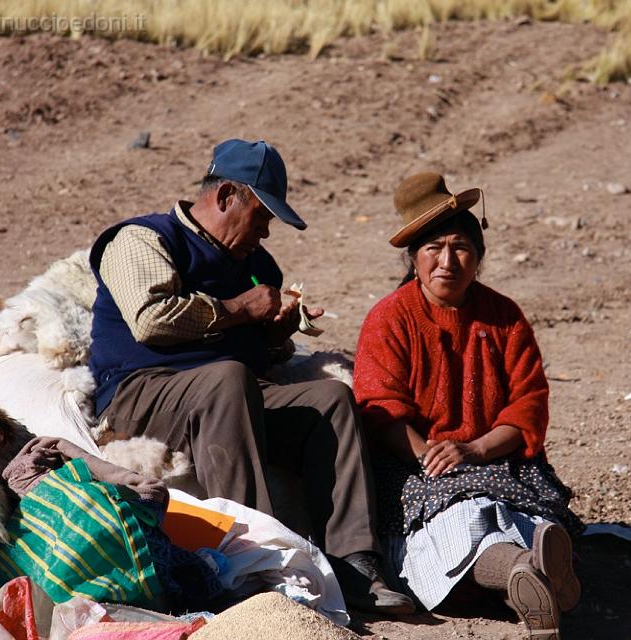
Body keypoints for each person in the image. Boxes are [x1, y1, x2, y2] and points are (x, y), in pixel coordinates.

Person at [87, 138, 413, 615]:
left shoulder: (257, 265)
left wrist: (276, 334)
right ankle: (256, 561)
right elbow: (150, 319)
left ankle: (353, 564)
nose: (265, 232)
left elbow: (253, 356)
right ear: (225, 198)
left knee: (331, 399)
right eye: (261, 217)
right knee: (228, 378)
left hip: (230, 393)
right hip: (142, 392)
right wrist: (241, 309)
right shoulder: (143, 239)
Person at [353, 172, 584, 639]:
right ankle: (529, 571)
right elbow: (379, 405)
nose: (447, 261)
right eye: (433, 248)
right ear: (414, 258)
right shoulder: (390, 318)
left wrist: (475, 450)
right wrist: (433, 458)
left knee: (518, 507)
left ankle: (528, 575)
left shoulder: (504, 316)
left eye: (460, 247)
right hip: (413, 464)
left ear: (478, 256)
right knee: (459, 512)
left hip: (494, 456)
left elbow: (529, 404)